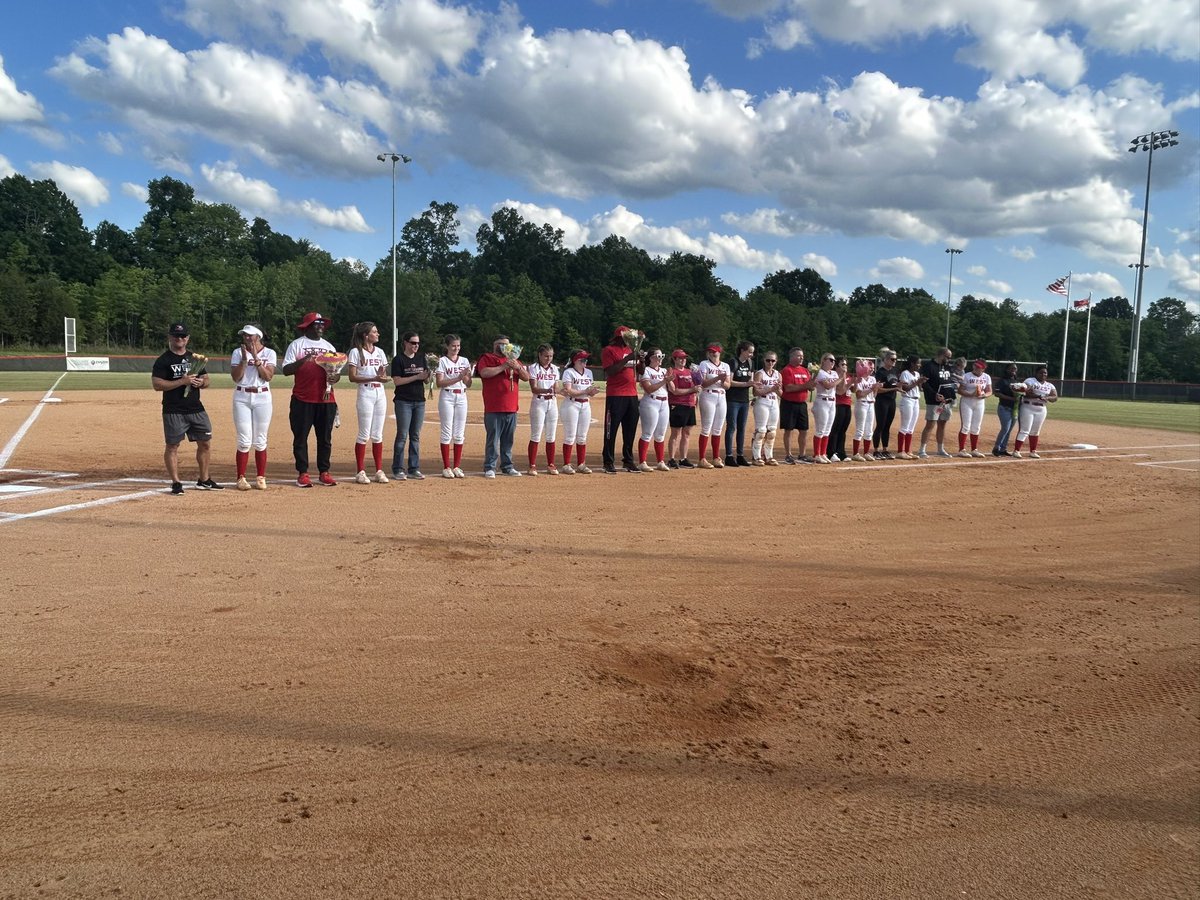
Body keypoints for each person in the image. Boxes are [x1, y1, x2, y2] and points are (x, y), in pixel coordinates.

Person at [152, 322, 222, 494]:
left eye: (183, 336)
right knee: (173, 446)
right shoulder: (163, 360)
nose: (180, 339)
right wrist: (182, 382)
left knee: (205, 443)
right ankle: (176, 482)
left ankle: (204, 480)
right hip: (173, 409)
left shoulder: (195, 358)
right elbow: (157, 384)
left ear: (188, 338)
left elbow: (206, 380)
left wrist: (201, 383)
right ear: (170, 337)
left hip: (195, 408)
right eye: (176, 336)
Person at [281, 312, 341, 487]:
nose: (321, 326)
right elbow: (286, 370)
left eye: (322, 324)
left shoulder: (328, 346)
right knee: (301, 438)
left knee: (325, 438)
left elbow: (335, 373)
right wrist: (304, 360)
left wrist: (334, 378)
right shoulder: (297, 345)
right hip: (303, 398)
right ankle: (303, 473)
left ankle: (324, 472)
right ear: (307, 326)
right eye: (317, 324)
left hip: (326, 398)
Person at [475, 334, 530, 477]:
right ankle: (490, 467)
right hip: (494, 407)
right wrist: (503, 366)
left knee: (508, 440)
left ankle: (507, 465)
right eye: (499, 344)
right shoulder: (487, 358)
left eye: (505, 344)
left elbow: (526, 377)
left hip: (511, 407)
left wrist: (517, 367)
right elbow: (484, 373)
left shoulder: (514, 359)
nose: (502, 347)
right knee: (493, 440)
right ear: (494, 345)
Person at [229, 324, 275, 491]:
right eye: (245, 335)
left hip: (262, 396)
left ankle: (260, 476)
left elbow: (268, 376)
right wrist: (243, 360)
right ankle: (241, 477)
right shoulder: (237, 352)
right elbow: (236, 377)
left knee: (260, 439)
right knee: (244, 439)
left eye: (250, 335)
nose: (247, 338)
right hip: (242, 396)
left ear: (258, 336)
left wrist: (257, 362)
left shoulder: (269, 353)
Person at [347, 322, 392, 484]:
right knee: (364, 433)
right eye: (374, 331)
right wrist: (373, 377)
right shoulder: (355, 352)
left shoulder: (379, 352)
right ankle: (360, 471)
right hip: (365, 392)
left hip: (379, 393)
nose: (377, 334)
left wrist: (382, 377)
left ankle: (379, 470)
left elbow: (384, 377)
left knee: (378, 434)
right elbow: (352, 377)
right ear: (366, 335)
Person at [389, 330, 429, 481]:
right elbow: (397, 381)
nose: (416, 346)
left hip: (419, 401)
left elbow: (425, 380)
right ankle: (398, 468)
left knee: (415, 436)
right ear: (405, 343)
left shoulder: (421, 358)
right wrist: (416, 376)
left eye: (418, 343)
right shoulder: (398, 359)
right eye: (413, 343)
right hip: (403, 401)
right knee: (402, 435)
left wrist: (428, 375)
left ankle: (414, 468)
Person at [601, 326, 643, 474]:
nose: (627, 340)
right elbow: (610, 372)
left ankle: (628, 460)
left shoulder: (632, 350)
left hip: (632, 394)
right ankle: (608, 461)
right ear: (618, 337)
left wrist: (641, 361)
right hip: (615, 394)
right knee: (611, 430)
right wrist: (626, 359)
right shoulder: (609, 350)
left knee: (630, 430)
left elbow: (641, 372)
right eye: (625, 337)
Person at [435, 334, 472, 479]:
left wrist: (466, 377)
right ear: (447, 346)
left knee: (459, 432)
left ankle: (456, 466)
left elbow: (468, 383)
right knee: (447, 431)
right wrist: (458, 377)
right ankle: (446, 467)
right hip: (447, 396)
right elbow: (440, 383)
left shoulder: (464, 360)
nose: (456, 348)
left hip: (462, 395)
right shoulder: (443, 361)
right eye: (453, 346)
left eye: (458, 346)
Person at [559, 349, 597, 474]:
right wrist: (586, 391)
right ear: (575, 360)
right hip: (571, 404)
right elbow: (569, 390)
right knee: (570, 435)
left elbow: (588, 390)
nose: (585, 362)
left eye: (586, 360)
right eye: (582, 360)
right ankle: (566, 464)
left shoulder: (589, 372)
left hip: (585, 404)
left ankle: (581, 464)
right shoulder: (569, 372)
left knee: (582, 436)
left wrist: (591, 392)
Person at [694, 343, 731, 469]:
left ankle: (716, 457)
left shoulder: (725, 365)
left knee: (718, 428)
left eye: (714, 351)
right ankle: (702, 459)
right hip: (708, 395)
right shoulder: (704, 364)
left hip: (721, 395)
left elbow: (728, 385)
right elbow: (703, 383)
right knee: (706, 428)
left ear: (719, 352)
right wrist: (717, 378)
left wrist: (722, 380)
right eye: (710, 351)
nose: (712, 353)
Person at [636, 347, 673, 471]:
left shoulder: (663, 370)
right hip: (651, 402)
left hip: (664, 402)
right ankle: (642, 461)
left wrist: (669, 379)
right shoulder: (646, 370)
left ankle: (660, 461)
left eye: (662, 356)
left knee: (660, 434)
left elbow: (672, 389)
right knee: (647, 433)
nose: (660, 359)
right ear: (651, 358)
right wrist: (664, 381)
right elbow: (649, 389)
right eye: (658, 356)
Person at [526, 343, 560, 475]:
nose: (548, 358)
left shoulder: (554, 369)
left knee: (551, 435)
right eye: (546, 356)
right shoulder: (533, 368)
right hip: (539, 402)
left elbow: (556, 387)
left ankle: (551, 464)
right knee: (536, 434)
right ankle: (532, 465)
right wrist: (548, 389)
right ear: (539, 355)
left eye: (551, 356)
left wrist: (560, 390)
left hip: (552, 402)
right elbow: (533, 388)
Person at [917, 347, 955, 459]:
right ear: (941, 355)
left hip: (946, 401)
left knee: (942, 424)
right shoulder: (929, 366)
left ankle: (940, 449)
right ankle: (922, 450)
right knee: (930, 424)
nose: (949, 360)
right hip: (934, 401)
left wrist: (952, 396)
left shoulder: (947, 367)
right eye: (947, 357)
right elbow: (925, 384)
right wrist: (935, 394)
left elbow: (949, 381)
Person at [1013, 365, 1058, 458]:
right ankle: (1016, 450)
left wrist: (1047, 397)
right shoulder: (1030, 381)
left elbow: (1055, 397)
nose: (1043, 374)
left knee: (1035, 431)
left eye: (1045, 372)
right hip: (1028, 407)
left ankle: (1033, 451)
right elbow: (1026, 392)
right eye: (1041, 372)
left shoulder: (1049, 385)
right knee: (1025, 430)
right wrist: (1040, 396)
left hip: (1041, 409)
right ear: (1036, 373)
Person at [724, 340, 755, 467]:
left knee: (742, 428)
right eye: (749, 352)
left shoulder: (750, 363)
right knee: (731, 427)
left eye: (752, 352)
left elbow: (751, 380)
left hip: (744, 400)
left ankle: (740, 455)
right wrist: (745, 384)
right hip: (732, 399)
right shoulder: (733, 362)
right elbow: (729, 381)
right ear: (742, 350)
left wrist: (753, 388)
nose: (751, 355)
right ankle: (729, 456)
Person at [666, 349, 699, 468]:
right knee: (676, 433)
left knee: (687, 433)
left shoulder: (690, 371)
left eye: (684, 358)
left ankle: (683, 458)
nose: (683, 360)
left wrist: (697, 390)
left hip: (690, 404)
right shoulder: (672, 371)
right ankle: (671, 458)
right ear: (674, 359)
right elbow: (674, 390)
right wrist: (692, 390)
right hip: (678, 404)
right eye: (680, 358)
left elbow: (696, 386)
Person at [779, 347, 812, 464]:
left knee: (804, 430)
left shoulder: (805, 370)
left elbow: (810, 386)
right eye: (799, 356)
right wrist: (806, 385)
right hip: (789, 403)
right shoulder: (787, 370)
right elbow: (788, 387)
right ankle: (788, 454)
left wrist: (813, 382)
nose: (801, 358)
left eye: (802, 356)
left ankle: (802, 454)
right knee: (789, 430)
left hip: (802, 404)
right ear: (792, 357)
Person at [750, 350, 781, 465]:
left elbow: (781, 393)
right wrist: (770, 389)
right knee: (761, 431)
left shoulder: (778, 374)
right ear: (764, 360)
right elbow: (755, 392)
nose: (770, 362)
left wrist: (777, 389)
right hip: (762, 401)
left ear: (776, 361)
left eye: (773, 360)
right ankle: (756, 456)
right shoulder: (760, 373)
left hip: (774, 402)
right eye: (768, 360)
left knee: (772, 431)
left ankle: (769, 456)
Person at [957, 358, 992, 458]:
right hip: (967, 402)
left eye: (979, 367)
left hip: (980, 402)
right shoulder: (967, 376)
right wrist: (970, 394)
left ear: (983, 369)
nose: (976, 368)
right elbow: (960, 390)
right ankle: (961, 449)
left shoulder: (986, 377)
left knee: (976, 427)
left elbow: (989, 391)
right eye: (975, 366)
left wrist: (984, 395)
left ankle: (974, 449)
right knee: (966, 426)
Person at [809, 353, 840, 463]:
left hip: (832, 402)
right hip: (822, 401)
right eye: (830, 360)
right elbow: (827, 386)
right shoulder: (820, 372)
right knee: (820, 429)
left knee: (827, 430)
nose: (833, 362)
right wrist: (841, 378)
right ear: (824, 360)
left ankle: (823, 453)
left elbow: (839, 388)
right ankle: (816, 454)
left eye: (834, 361)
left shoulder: (835, 373)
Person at [872, 348, 900, 459]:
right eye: (892, 359)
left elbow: (894, 385)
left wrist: (899, 386)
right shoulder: (880, 372)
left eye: (895, 359)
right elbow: (877, 390)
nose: (894, 361)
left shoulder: (894, 371)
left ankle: (885, 449)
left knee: (887, 426)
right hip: (882, 401)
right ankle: (876, 450)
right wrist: (892, 389)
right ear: (886, 359)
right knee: (880, 425)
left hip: (891, 401)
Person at [895, 355, 925, 459]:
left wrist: (921, 382)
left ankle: (908, 450)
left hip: (916, 400)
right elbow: (905, 388)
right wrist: (917, 382)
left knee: (911, 428)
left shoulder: (916, 373)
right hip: (907, 400)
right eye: (918, 363)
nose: (919, 365)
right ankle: (900, 451)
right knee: (905, 426)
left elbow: (919, 388)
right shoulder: (905, 373)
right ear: (912, 363)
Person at [851, 357, 878, 461]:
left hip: (871, 404)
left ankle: (866, 452)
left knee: (869, 430)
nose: (872, 369)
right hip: (862, 404)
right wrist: (872, 388)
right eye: (870, 367)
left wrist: (875, 389)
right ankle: (855, 453)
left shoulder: (872, 379)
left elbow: (874, 395)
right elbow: (859, 395)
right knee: (860, 429)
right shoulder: (859, 379)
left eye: (872, 368)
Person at [992, 363, 1021, 456]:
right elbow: (997, 393)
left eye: (1015, 369)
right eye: (1011, 368)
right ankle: (996, 448)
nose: (1013, 370)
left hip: (1014, 408)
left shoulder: (1016, 381)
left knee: (1009, 430)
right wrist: (1011, 398)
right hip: (1004, 407)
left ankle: (1003, 449)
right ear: (1006, 369)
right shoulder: (1002, 381)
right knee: (1005, 428)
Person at [828, 357, 853, 462]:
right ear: (837, 366)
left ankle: (841, 452)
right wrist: (846, 380)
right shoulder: (835, 376)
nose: (845, 367)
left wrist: (854, 382)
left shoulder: (847, 376)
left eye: (846, 365)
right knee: (835, 429)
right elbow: (841, 391)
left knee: (843, 430)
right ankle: (831, 452)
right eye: (842, 364)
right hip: (838, 404)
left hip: (847, 404)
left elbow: (854, 390)